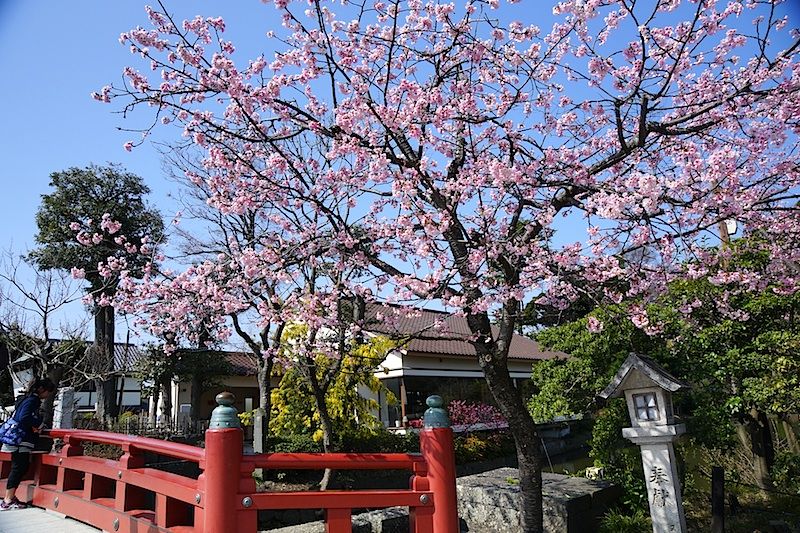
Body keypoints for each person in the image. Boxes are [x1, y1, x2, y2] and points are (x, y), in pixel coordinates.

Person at [1, 377, 55, 510]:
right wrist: (39, 424)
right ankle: (8, 500)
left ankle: (9, 497)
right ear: (41, 389)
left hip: (15, 437)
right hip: (21, 439)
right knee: (19, 467)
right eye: (48, 391)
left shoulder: (24, 398)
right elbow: (24, 417)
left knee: (19, 467)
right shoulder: (33, 400)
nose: (47, 395)